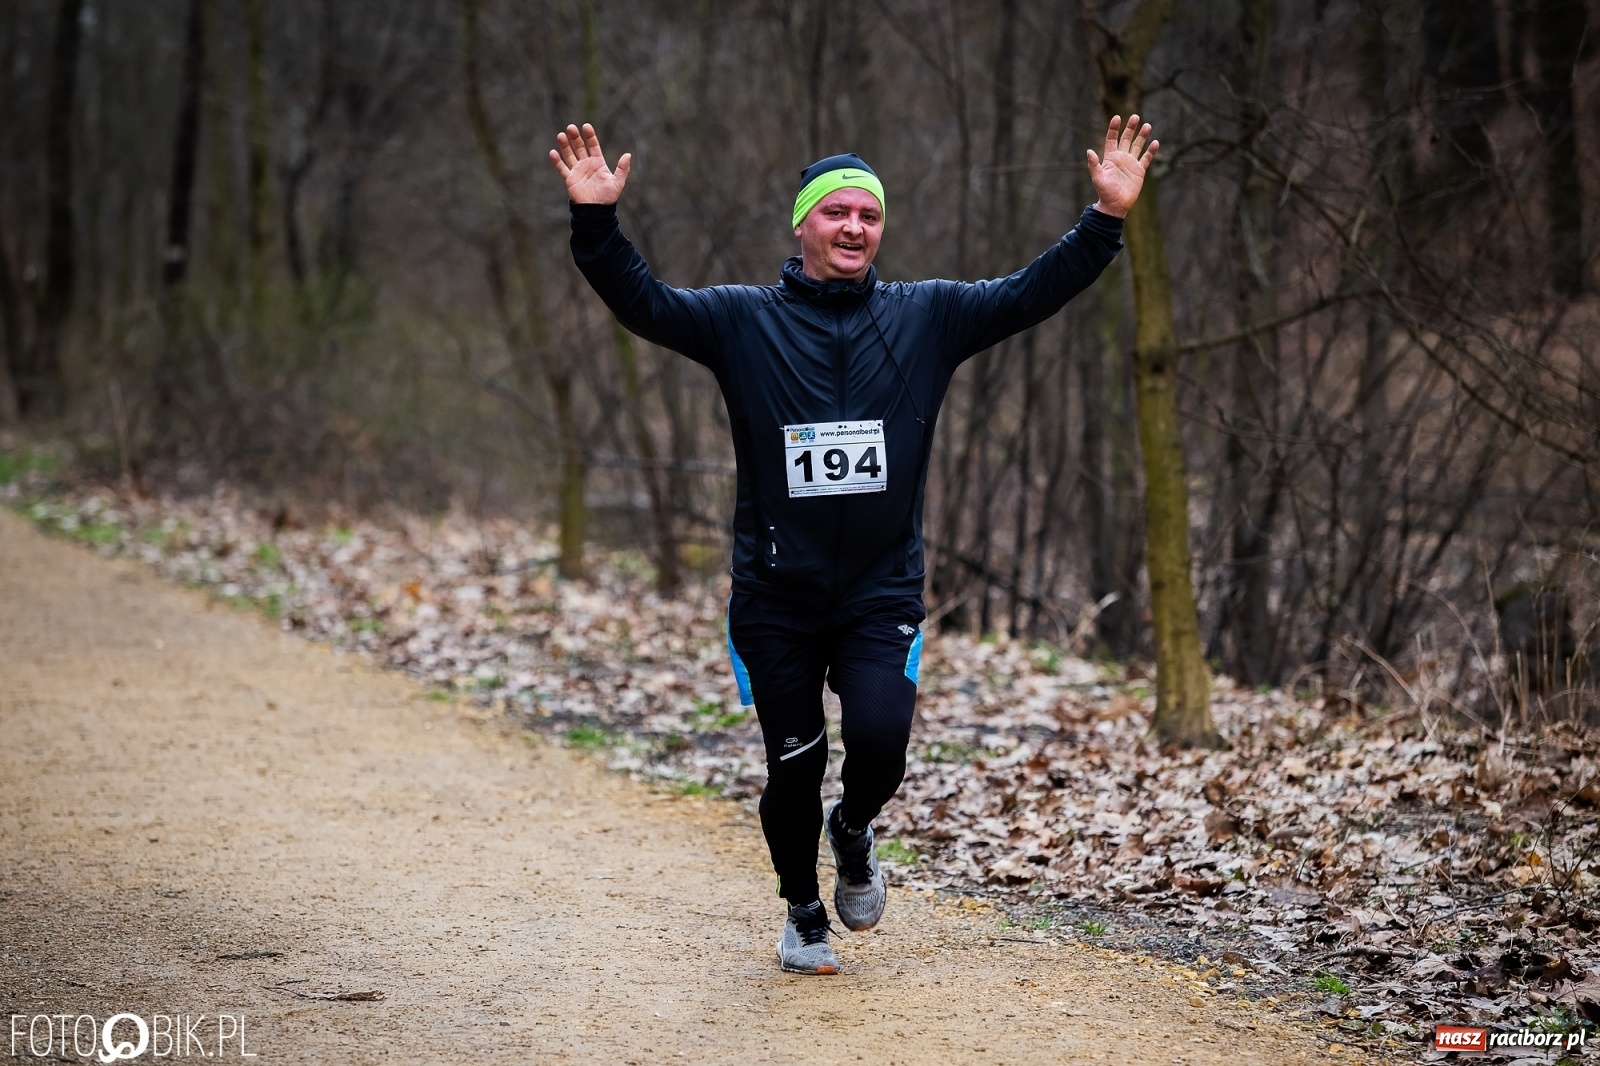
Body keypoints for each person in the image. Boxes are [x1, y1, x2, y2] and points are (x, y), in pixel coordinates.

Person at [550, 116, 1157, 975]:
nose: (853, 228)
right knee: (794, 767)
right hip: (776, 596)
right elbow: (642, 301)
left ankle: (854, 825)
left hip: (880, 592)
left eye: (868, 216)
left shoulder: (927, 316)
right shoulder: (743, 322)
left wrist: (1105, 220)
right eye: (836, 212)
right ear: (802, 224)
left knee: (879, 743)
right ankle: (802, 912)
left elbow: (1031, 292)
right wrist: (595, 220)